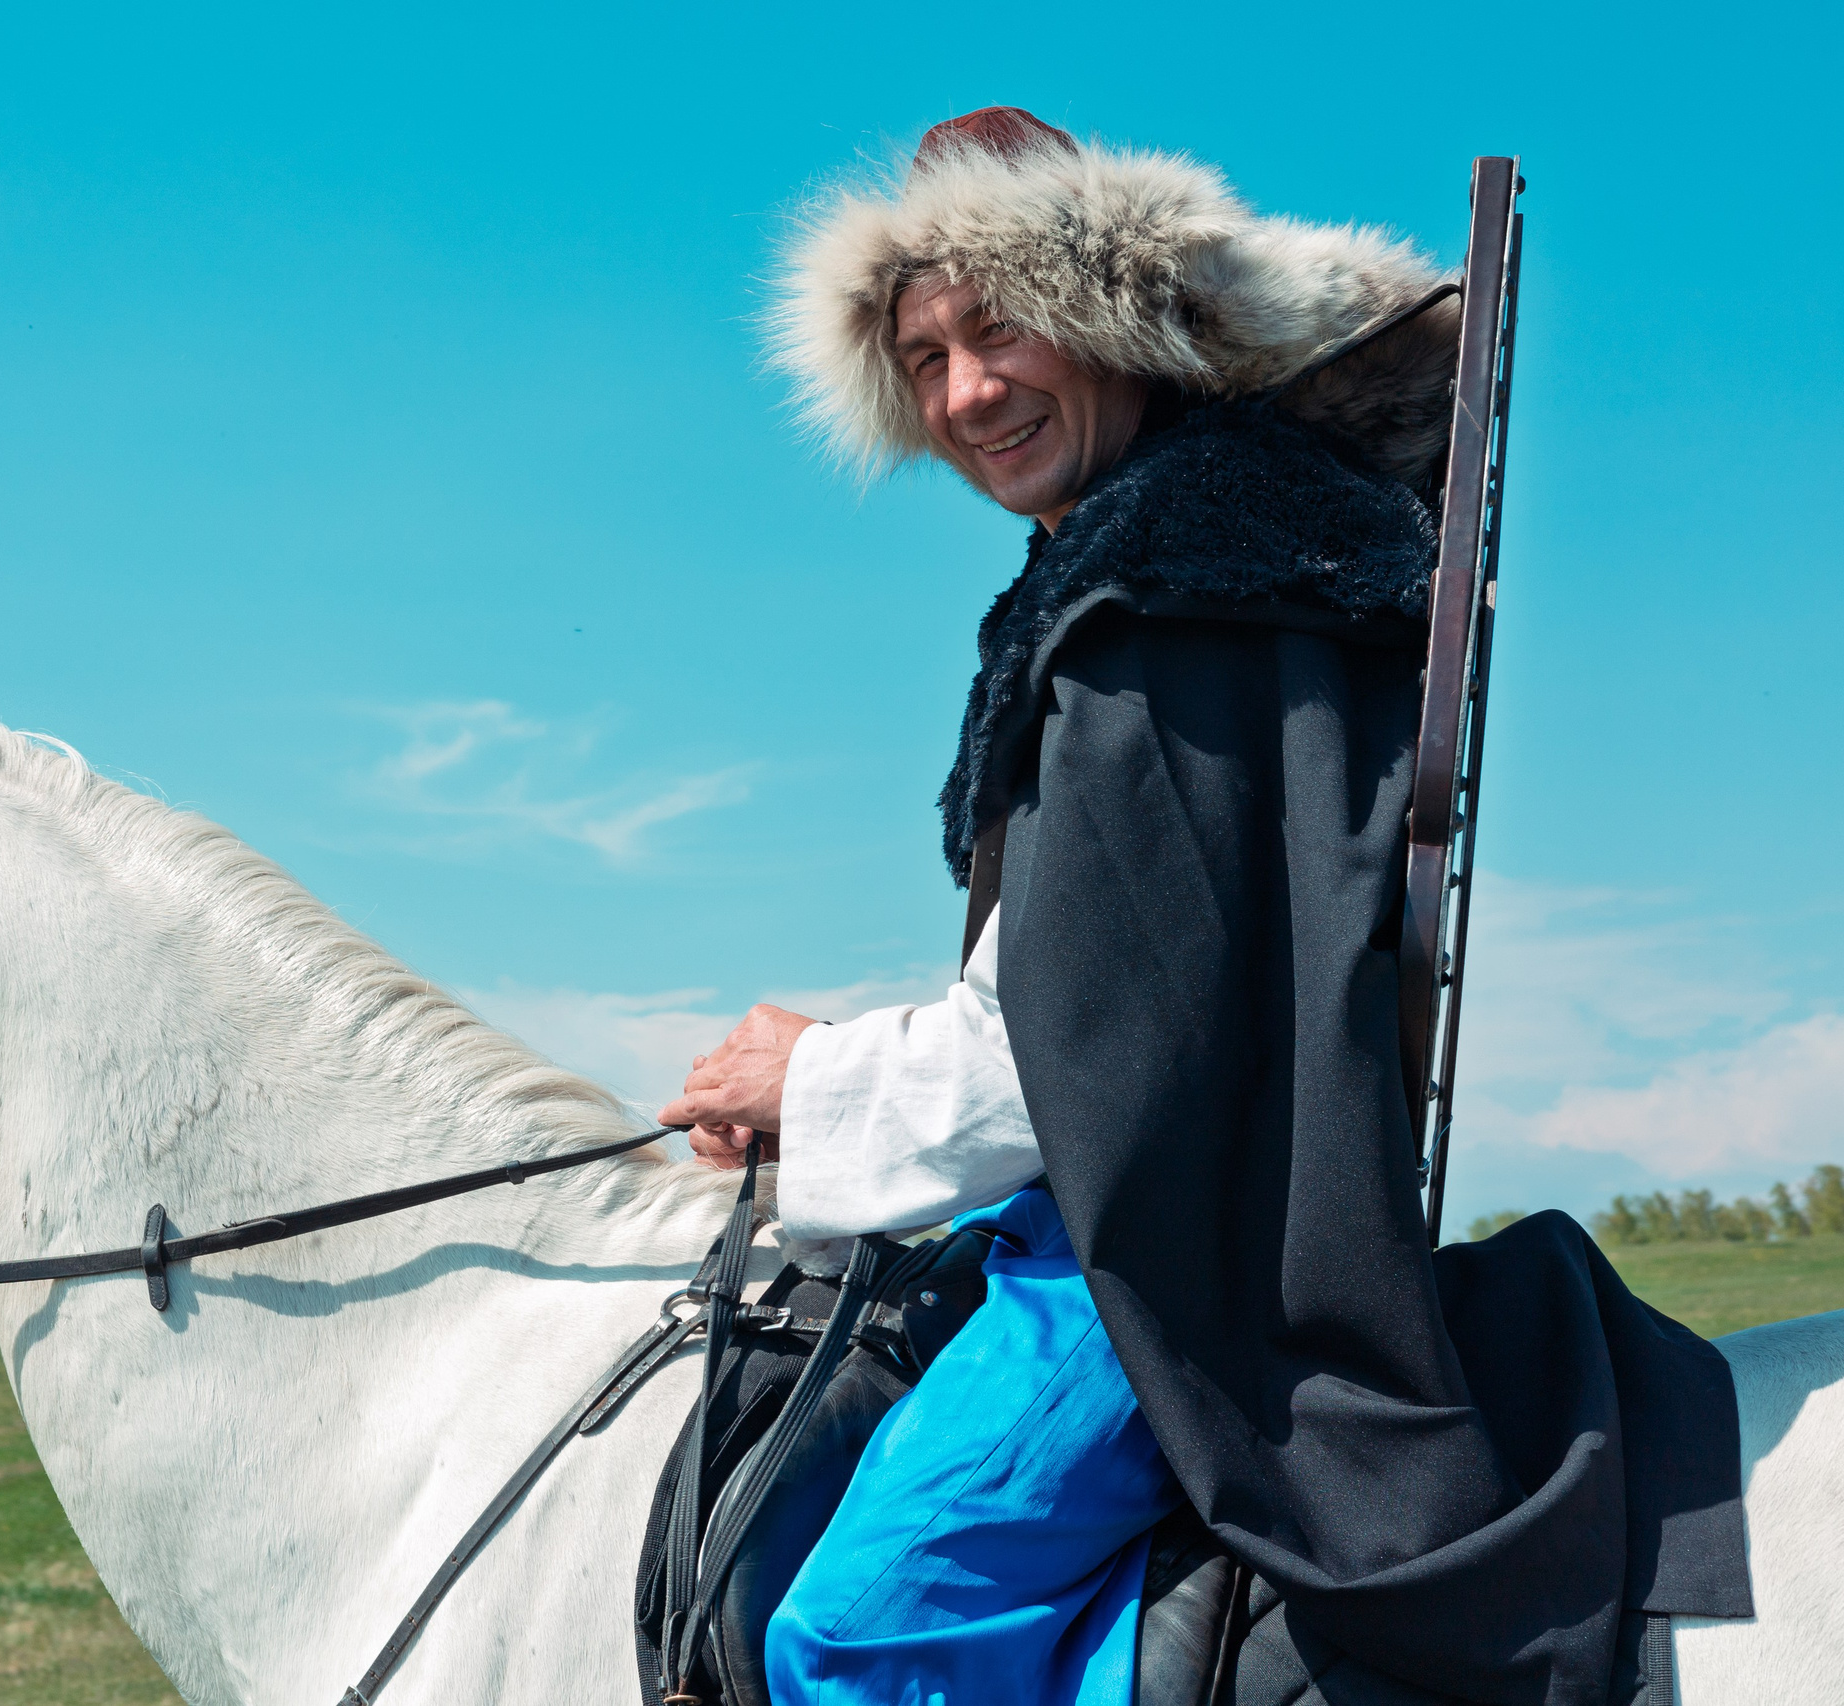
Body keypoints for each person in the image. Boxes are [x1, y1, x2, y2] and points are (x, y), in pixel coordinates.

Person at [660, 108, 1749, 1706]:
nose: (967, 392)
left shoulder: (1171, 580)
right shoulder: (1197, 549)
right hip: (1146, 1205)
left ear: (1111, 312)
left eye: (1003, 323)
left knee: (861, 1630)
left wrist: (810, 1084)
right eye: (927, 352)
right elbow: (1115, 986)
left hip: (1171, 1268)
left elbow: (1104, 1056)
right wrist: (825, 1079)